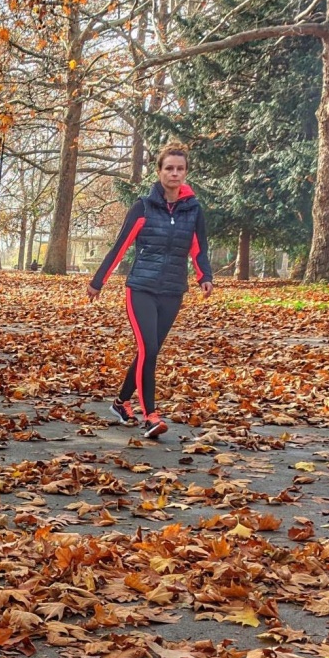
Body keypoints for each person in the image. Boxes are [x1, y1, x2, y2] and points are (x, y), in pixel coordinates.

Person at [87, 141, 213, 439]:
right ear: (159, 172)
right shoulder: (143, 206)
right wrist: (98, 281)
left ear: (186, 173)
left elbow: (198, 248)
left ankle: (120, 403)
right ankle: (150, 416)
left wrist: (204, 275)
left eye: (180, 169)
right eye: (169, 168)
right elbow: (120, 246)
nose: (174, 173)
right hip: (141, 287)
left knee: (149, 350)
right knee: (149, 349)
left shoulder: (193, 210)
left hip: (172, 290)